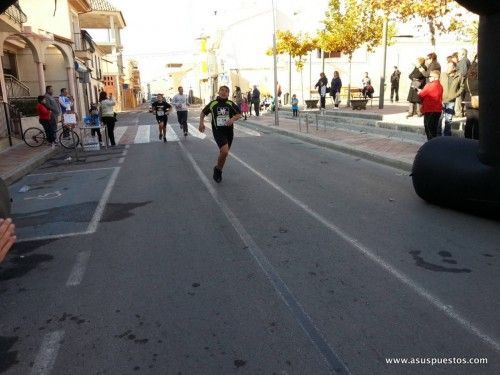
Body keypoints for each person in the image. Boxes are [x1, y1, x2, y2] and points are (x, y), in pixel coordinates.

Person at [198, 86, 242, 183]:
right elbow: (203, 113)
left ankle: (218, 169)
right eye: (222, 90)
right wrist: (201, 123)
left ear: (228, 94)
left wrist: (232, 119)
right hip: (218, 131)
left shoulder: (230, 103)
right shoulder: (213, 103)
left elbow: (239, 114)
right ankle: (218, 171)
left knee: (224, 153)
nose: (224, 92)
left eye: (226, 91)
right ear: (218, 92)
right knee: (225, 151)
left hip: (229, 132)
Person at [439, 61, 465, 136]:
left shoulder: (459, 76)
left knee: (448, 119)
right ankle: (438, 135)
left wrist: (456, 94)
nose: (447, 68)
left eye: (449, 67)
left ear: (454, 68)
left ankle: (447, 136)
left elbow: (462, 87)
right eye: (447, 66)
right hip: (441, 99)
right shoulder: (443, 74)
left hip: (451, 101)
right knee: (440, 118)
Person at [417, 70, 443, 140]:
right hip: (437, 110)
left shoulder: (429, 85)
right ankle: (433, 144)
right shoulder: (440, 85)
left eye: (430, 76)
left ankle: (431, 146)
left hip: (430, 109)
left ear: (436, 77)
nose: (429, 78)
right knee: (434, 129)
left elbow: (421, 95)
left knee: (429, 129)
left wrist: (420, 92)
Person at [464, 54, 479, 139]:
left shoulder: (467, 79)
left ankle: (467, 139)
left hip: (467, 100)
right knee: (477, 122)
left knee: (469, 121)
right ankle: (476, 140)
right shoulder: (478, 81)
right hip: (477, 100)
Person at [456, 48, 471, 117]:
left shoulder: (463, 61)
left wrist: (458, 81)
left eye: (459, 53)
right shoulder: (466, 60)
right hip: (465, 82)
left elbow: (463, 73)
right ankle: (462, 111)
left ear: (463, 54)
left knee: (459, 96)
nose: (458, 55)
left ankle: (459, 112)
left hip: (462, 82)